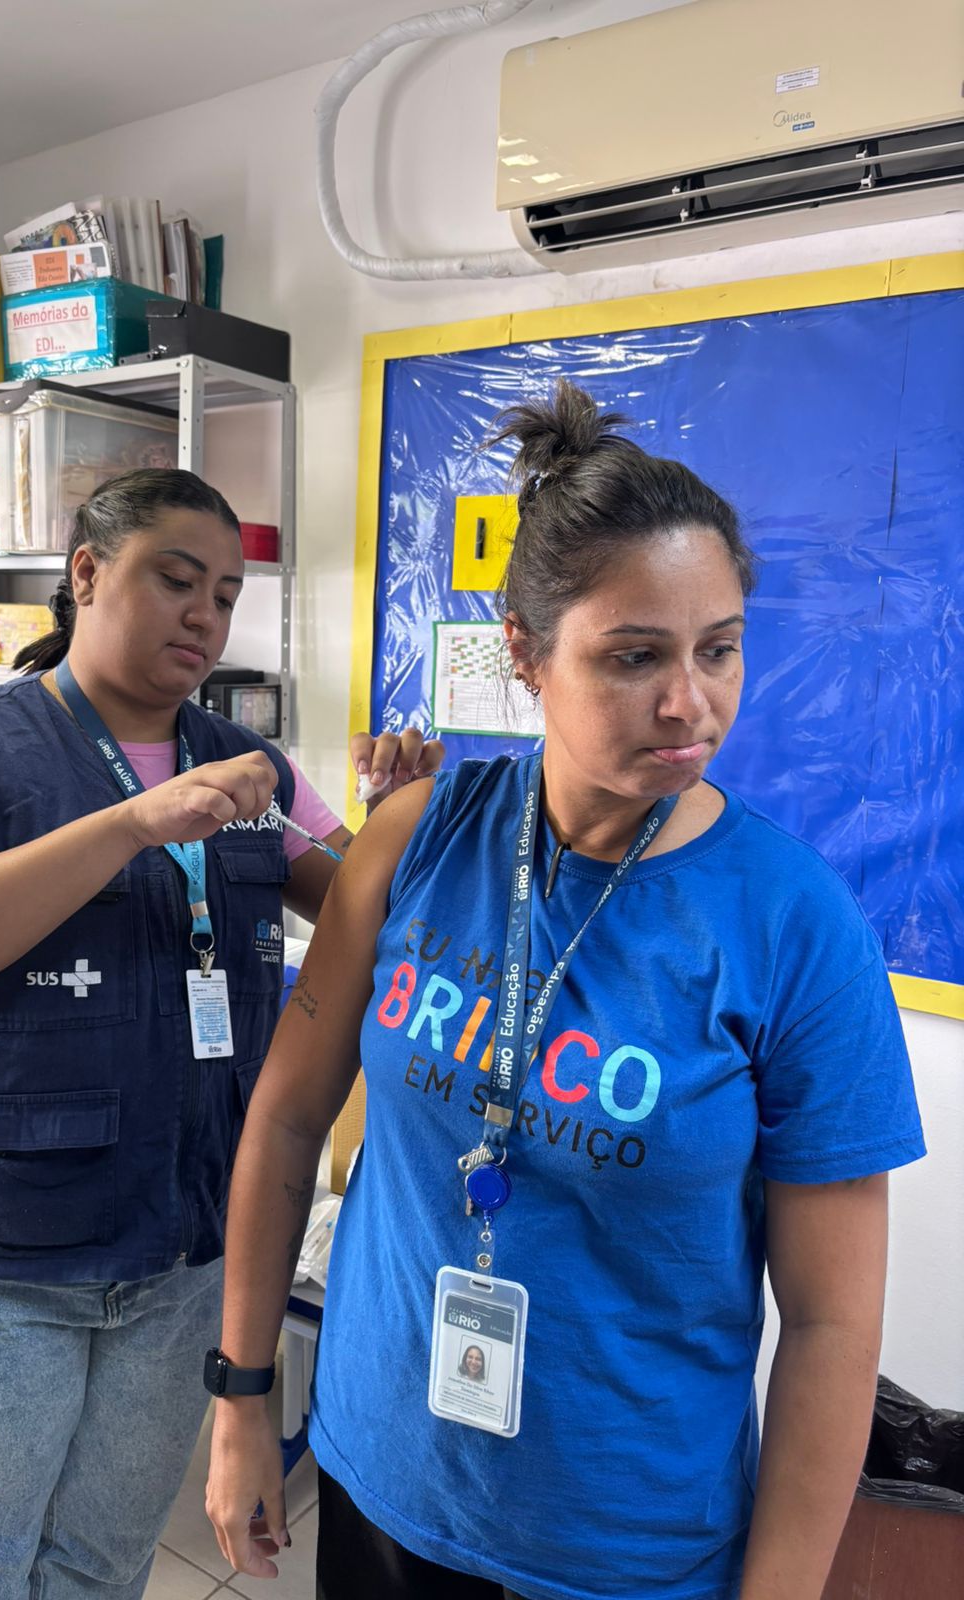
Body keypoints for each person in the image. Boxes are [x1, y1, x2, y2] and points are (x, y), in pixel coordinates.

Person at [205, 382, 926, 1600]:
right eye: (635, 656)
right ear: (527, 657)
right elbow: (282, 1121)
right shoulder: (415, 838)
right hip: (385, 1479)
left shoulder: (796, 927)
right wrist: (241, 1399)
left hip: (625, 1546)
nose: (689, 700)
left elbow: (832, 1328)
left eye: (721, 647)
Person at [0, 466, 442, 1600]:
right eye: (176, 580)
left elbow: (367, 908)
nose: (205, 618)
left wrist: (394, 813)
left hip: (179, 1257)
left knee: (101, 1567)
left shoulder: (250, 768)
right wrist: (128, 824)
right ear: (86, 574)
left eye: (224, 595)